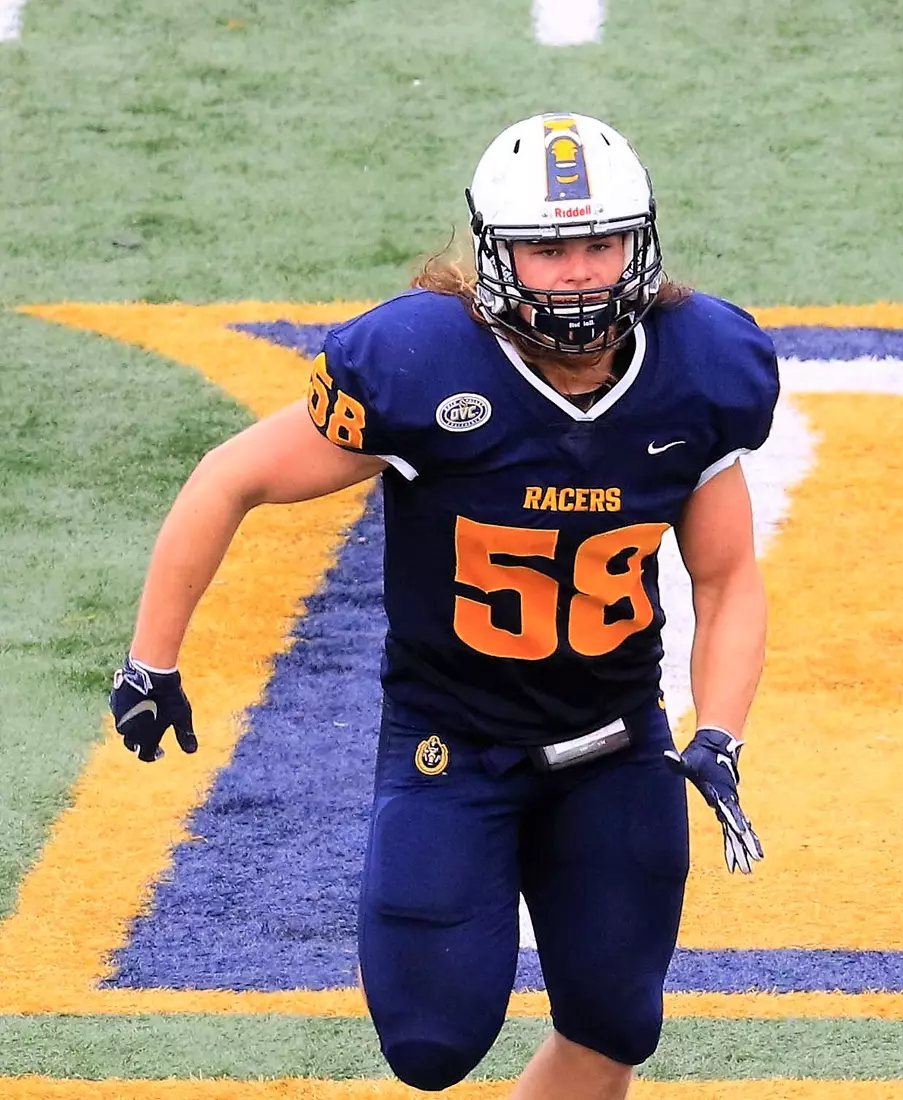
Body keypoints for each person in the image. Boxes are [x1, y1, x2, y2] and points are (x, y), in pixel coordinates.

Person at [107, 112, 776, 1098]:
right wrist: (150, 660)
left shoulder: (699, 369)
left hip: (613, 743)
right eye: (549, 250)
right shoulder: (421, 364)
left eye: (600, 243)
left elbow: (725, 578)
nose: (580, 274)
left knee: (616, 1023)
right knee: (429, 1042)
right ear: (495, 255)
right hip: (452, 744)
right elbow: (229, 476)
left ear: (641, 242)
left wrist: (719, 727)